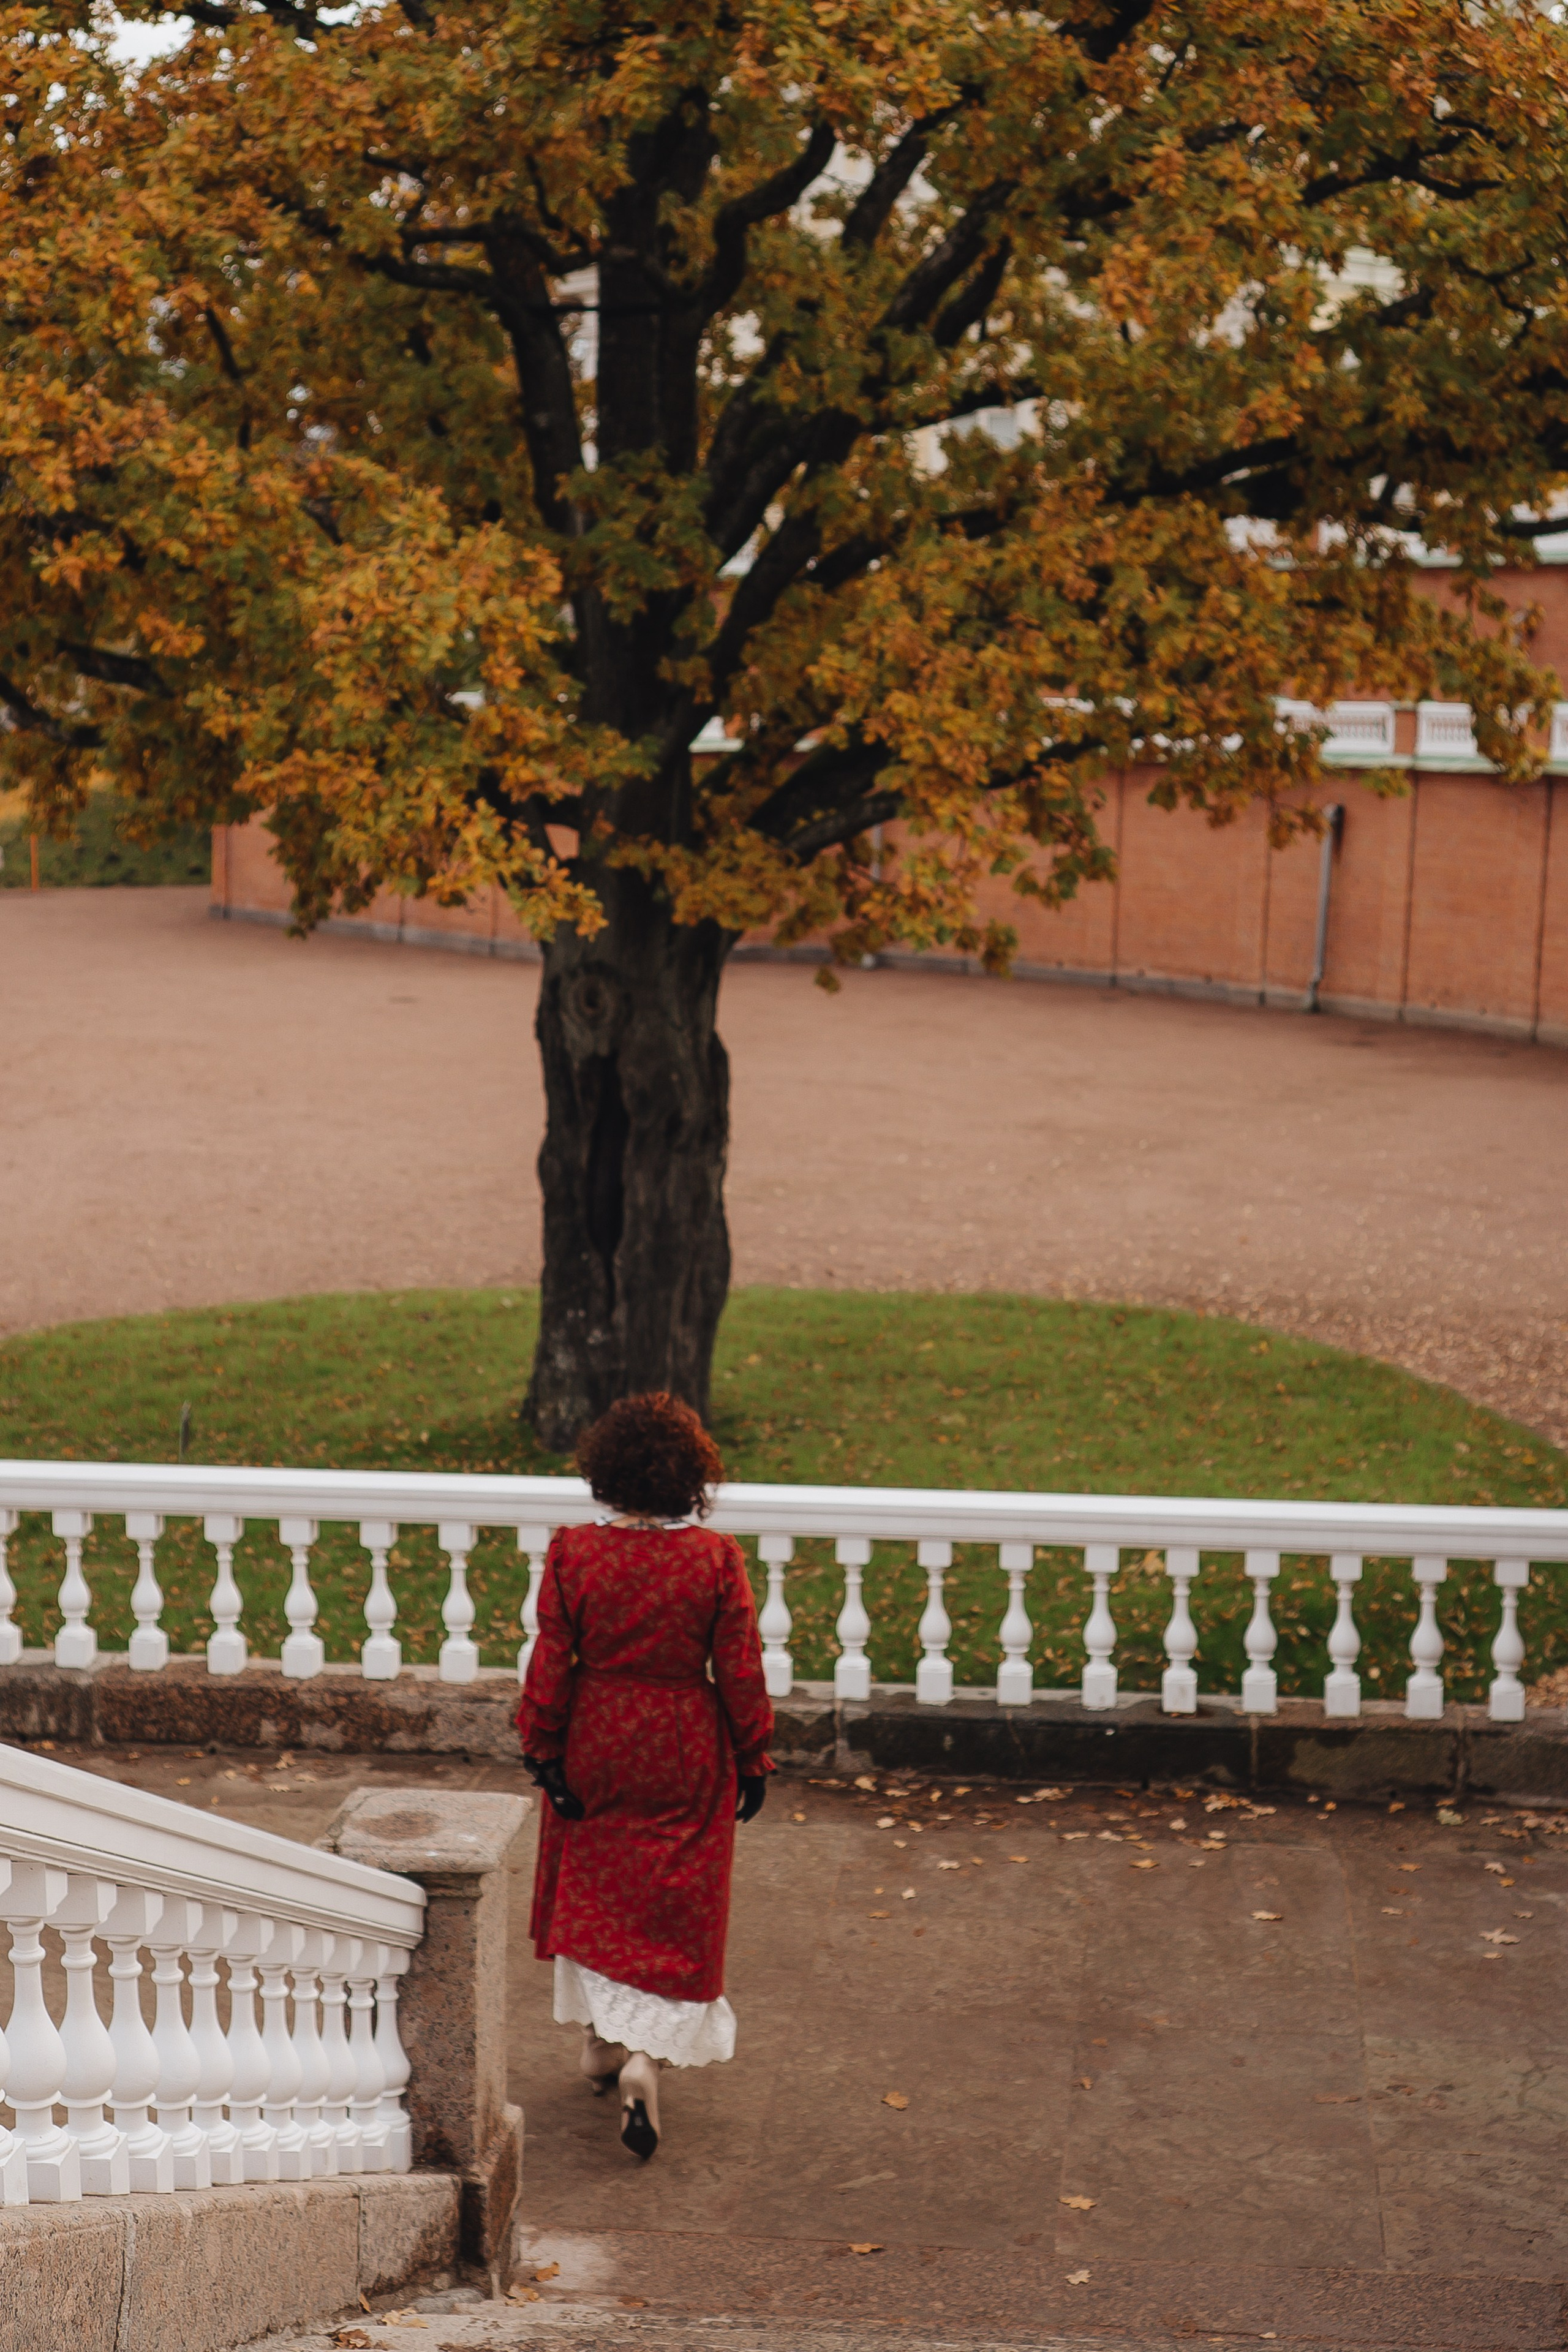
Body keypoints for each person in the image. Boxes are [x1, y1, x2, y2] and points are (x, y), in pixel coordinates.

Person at [515, 1391, 774, 2162]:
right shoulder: (714, 1559)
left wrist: (543, 1747)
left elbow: (550, 1659)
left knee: (596, 1887)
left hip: (597, 1732)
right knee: (674, 1898)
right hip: (685, 1736)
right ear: (689, 1477)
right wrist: (753, 1754)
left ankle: (601, 2043)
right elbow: (739, 1669)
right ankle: (641, 2061)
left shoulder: (574, 1552)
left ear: (606, 1471)